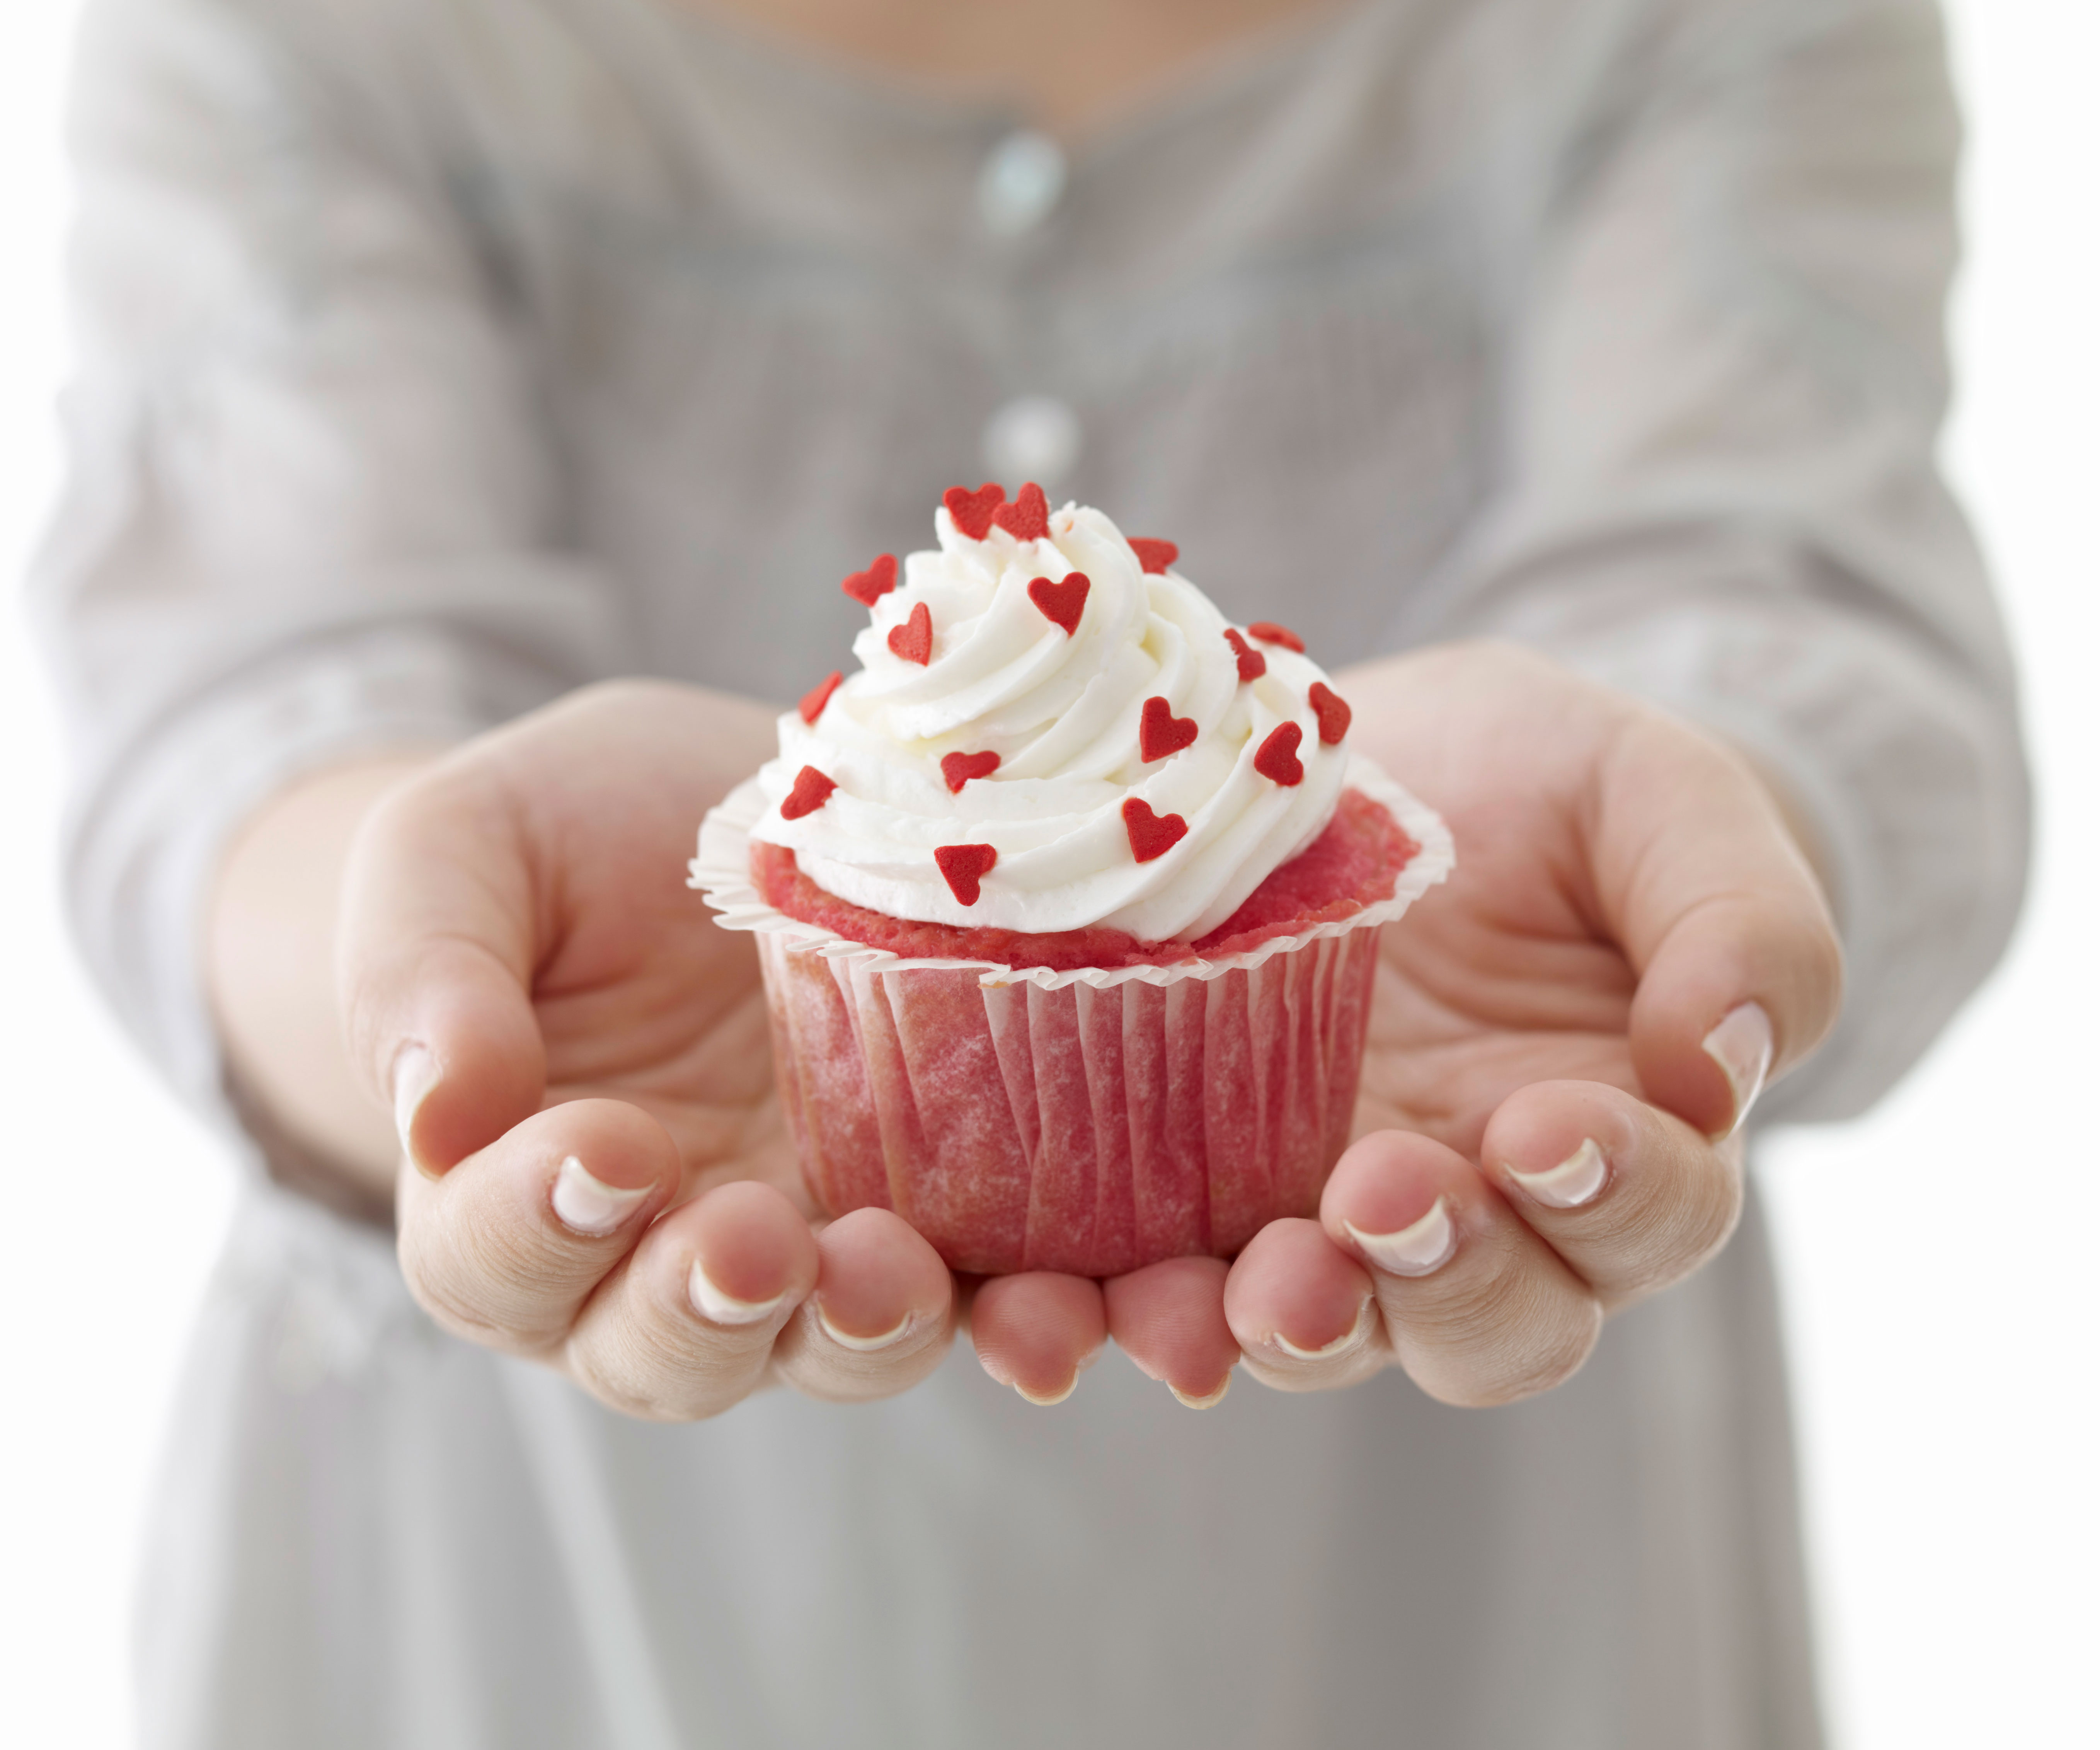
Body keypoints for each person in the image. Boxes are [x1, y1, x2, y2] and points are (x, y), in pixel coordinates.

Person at [34, 0, 2026, 1743]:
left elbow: (1770, 572)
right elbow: (250, 694)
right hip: (538, 1569)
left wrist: (1686, 834)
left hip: (1474, 1549)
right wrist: (418, 958)